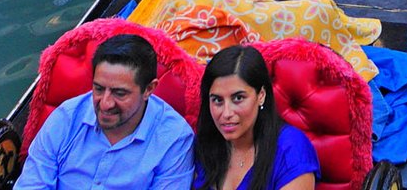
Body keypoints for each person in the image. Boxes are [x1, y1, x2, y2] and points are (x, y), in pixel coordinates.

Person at [16, 33, 195, 189]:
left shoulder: (175, 138)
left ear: (148, 89)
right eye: (99, 89)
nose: (106, 104)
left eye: (119, 93)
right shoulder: (66, 117)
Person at [193, 45, 318, 190]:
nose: (226, 113)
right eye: (217, 100)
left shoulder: (291, 148)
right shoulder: (204, 143)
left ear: (261, 95)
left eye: (238, 98)